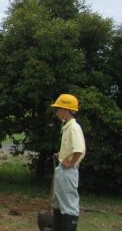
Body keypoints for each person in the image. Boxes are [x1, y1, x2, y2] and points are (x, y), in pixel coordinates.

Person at [50, 94, 85, 231]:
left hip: (68, 172)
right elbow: (71, 148)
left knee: (69, 206)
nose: (57, 112)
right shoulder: (67, 126)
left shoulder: (74, 128)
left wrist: (70, 163)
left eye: (58, 109)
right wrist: (62, 155)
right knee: (58, 204)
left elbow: (79, 149)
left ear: (66, 110)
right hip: (62, 170)